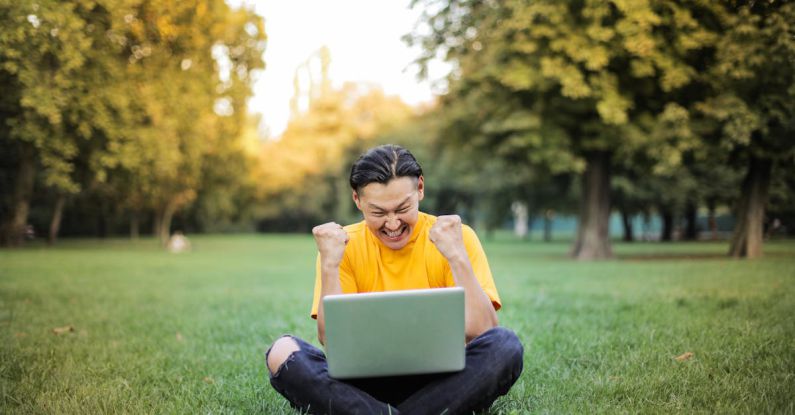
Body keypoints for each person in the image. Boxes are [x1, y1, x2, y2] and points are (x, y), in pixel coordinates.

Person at [265, 144, 524, 414]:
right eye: (378, 213)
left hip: (442, 382)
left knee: (505, 344)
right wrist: (330, 264)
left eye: (402, 209)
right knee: (281, 351)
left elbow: (485, 332)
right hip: (362, 385)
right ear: (357, 200)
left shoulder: (456, 237)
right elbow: (330, 338)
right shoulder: (340, 245)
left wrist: (456, 256)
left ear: (420, 188)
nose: (392, 224)